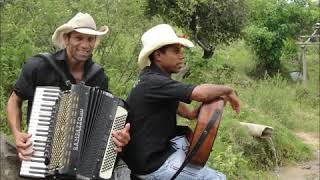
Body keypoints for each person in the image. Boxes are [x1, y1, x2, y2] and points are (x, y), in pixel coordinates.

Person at [6, 12, 131, 179]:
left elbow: (104, 123)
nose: (85, 45)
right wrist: (17, 133)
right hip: (41, 157)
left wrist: (118, 137)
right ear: (66, 39)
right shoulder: (39, 66)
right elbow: (15, 100)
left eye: (90, 39)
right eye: (79, 38)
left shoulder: (99, 76)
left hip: (80, 166)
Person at [122, 24, 240, 180]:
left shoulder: (153, 79)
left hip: (158, 152)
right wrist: (227, 90)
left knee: (193, 150)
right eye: (176, 51)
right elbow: (199, 93)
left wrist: (216, 98)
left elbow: (190, 114)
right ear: (158, 55)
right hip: (151, 164)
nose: (181, 56)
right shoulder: (154, 82)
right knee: (218, 178)